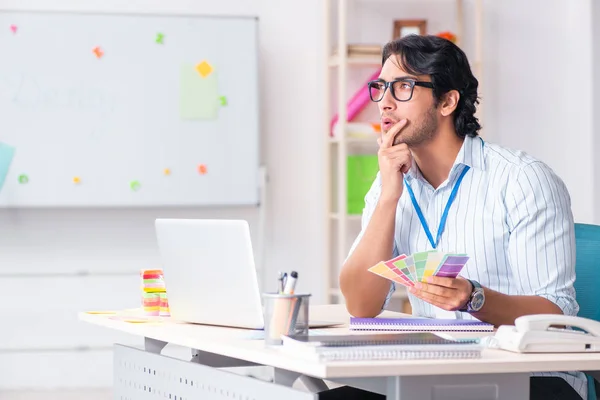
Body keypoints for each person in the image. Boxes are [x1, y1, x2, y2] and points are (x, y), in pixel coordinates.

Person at [331, 35, 587, 400]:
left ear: (447, 101)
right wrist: (389, 196)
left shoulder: (521, 179)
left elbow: (556, 315)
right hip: (436, 371)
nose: (384, 103)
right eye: (380, 87)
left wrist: (474, 298)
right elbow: (361, 305)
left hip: (530, 376)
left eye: (402, 86)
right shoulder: (389, 183)